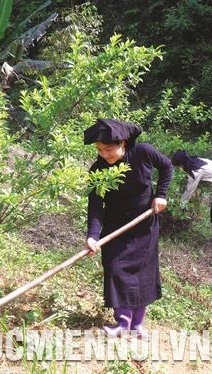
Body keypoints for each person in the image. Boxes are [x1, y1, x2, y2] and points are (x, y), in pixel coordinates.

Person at [83, 118, 173, 338]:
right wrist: (93, 235)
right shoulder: (99, 169)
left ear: (122, 142)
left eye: (109, 149)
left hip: (144, 223)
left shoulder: (143, 152)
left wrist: (160, 195)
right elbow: (95, 206)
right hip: (115, 227)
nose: (105, 154)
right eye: (99, 150)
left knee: (143, 272)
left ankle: (137, 325)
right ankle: (122, 324)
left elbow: (167, 166)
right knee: (115, 268)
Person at [171, 150, 212, 248]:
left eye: (178, 166)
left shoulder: (195, 171)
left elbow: (188, 192)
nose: (179, 168)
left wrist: (179, 209)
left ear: (182, 164)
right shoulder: (196, 161)